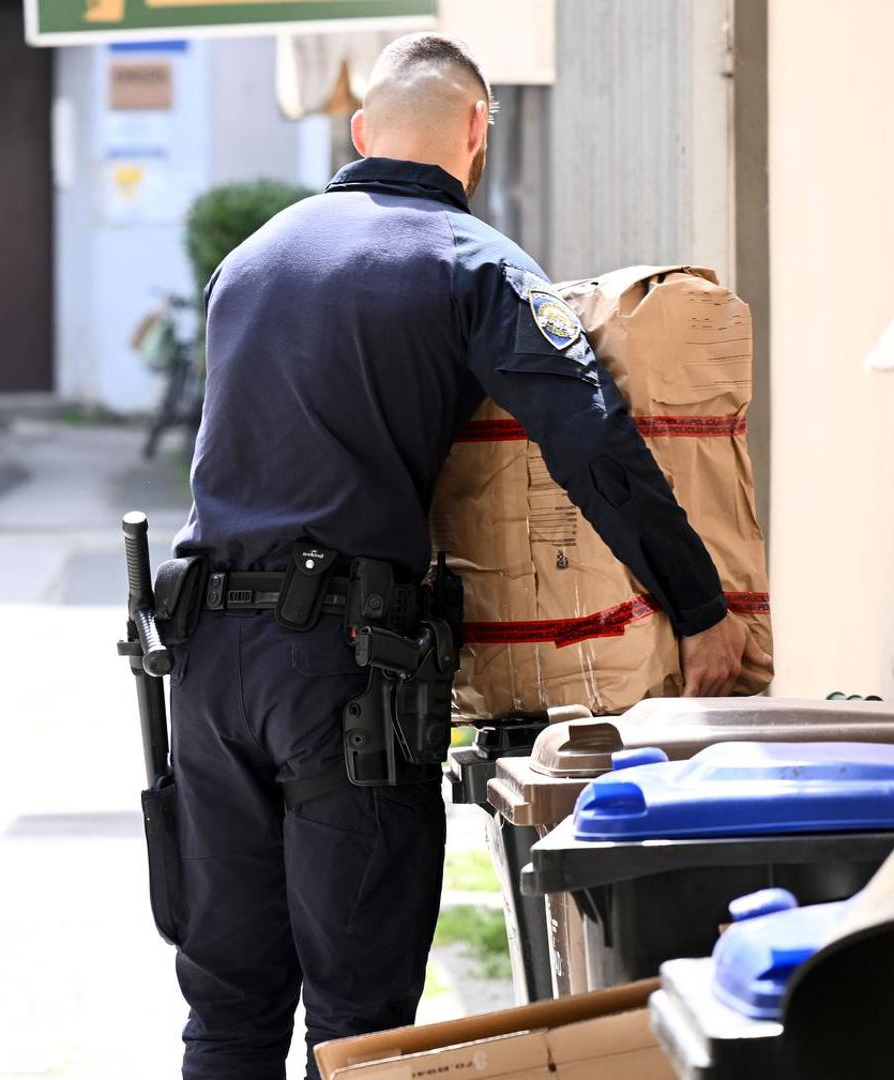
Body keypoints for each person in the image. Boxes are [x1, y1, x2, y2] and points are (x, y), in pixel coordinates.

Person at [165, 33, 773, 1078]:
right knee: (358, 1019)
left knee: (228, 1004)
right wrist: (698, 604)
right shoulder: (470, 261)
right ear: (475, 131)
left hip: (202, 668)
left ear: (359, 131)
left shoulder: (249, 260)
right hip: (341, 677)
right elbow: (590, 442)